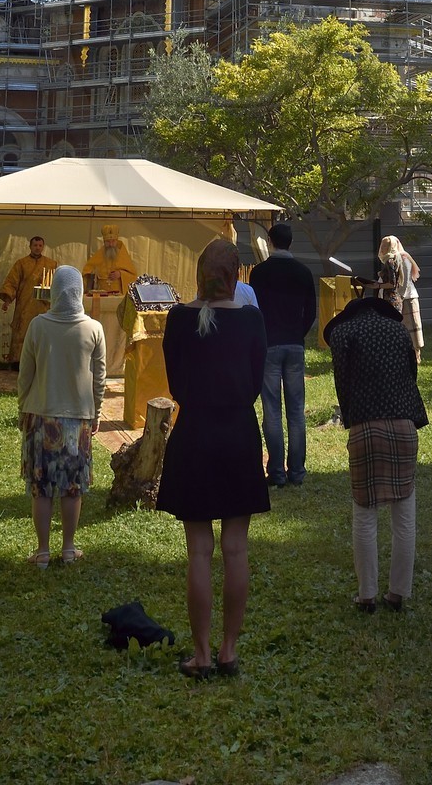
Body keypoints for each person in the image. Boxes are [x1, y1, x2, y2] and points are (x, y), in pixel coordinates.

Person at [157, 239, 269, 677]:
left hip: (196, 435)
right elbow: (256, 381)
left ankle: (201, 654)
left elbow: (176, 384)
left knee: (199, 551)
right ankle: (228, 651)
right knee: (236, 549)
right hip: (239, 434)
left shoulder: (180, 319)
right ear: (236, 275)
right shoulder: (253, 321)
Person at [325, 281, 428, 612]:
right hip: (403, 426)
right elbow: (411, 377)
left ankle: (366, 595)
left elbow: (343, 386)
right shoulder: (398, 333)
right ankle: (398, 593)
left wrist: (355, 418)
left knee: (364, 513)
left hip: (366, 429)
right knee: (404, 513)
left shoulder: (343, 335)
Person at [17, 264, 106, 568]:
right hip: (77, 420)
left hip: (40, 416)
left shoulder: (38, 326)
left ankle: (42, 552)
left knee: (41, 489)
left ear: (54, 291)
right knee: (72, 488)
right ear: (79, 292)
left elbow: (25, 375)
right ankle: (68, 549)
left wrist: (22, 408)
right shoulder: (94, 328)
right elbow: (99, 378)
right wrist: (97, 412)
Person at [248, 222, 317, 488]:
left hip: (269, 345)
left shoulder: (259, 273)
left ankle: (276, 471)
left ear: (270, 241)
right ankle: (297, 471)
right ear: (291, 242)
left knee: (272, 411)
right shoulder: (303, 272)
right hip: (294, 345)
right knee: (296, 411)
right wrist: (297, 332)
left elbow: (254, 309)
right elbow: (310, 311)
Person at [0, 234, 57, 363]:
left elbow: (56, 284)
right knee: (22, 332)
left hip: (43, 306)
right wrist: (7, 300)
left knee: (43, 333)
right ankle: (18, 362)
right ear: (30, 246)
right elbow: (12, 282)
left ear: (43, 247)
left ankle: (43, 361)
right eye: (35, 245)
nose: (37, 248)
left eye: (40, 245)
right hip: (24, 305)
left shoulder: (51, 264)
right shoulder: (21, 264)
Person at [378, 235, 423, 360]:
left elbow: (404, 281)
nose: (382, 249)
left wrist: (399, 298)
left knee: (411, 328)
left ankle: (416, 356)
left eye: (385, 246)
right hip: (396, 298)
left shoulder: (403, 259)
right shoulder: (390, 260)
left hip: (406, 298)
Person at [81, 223, 137, 299]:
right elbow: (87, 273)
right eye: (108, 241)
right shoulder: (99, 255)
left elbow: (133, 275)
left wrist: (121, 274)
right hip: (101, 295)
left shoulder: (122, 254)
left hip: (119, 295)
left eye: (113, 241)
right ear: (104, 242)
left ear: (116, 241)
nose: (111, 244)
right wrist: (95, 274)